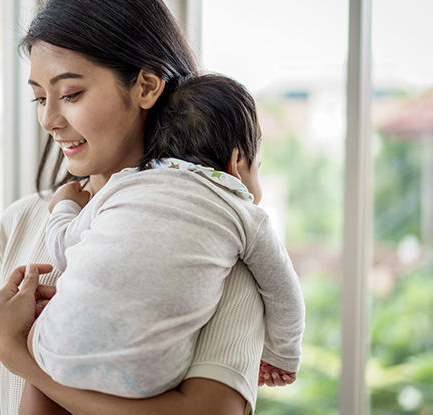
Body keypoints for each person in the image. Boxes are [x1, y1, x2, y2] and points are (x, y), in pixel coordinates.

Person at [0, 1, 292, 414]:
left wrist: (21, 355)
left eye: (70, 94)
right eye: (38, 98)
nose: (49, 119)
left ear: (145, 86)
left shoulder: (211, 244)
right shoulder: (25, 220)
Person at [26, 74, 304, 406]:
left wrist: (63, 206)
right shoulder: (243, 214)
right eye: (257, 167)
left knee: (36, 336)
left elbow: (64, 250)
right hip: (148, 379)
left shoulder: (122, 185)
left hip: (56, 353)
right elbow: (285, 292)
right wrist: (282, 355)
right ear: (235, 163)